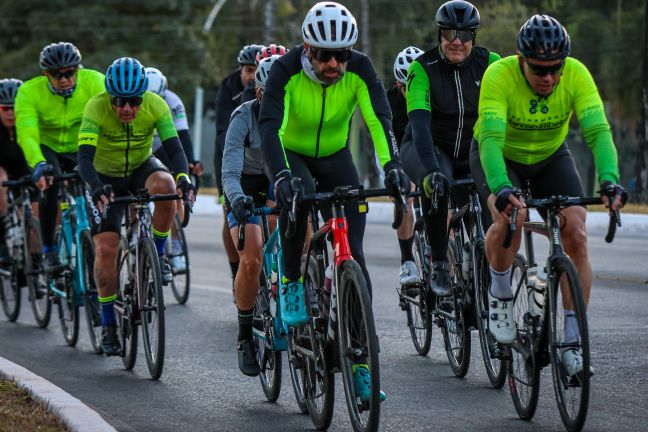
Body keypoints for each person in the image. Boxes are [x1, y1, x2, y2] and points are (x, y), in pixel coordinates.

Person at [259, 1, 409, 401]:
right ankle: (292, 278)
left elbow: (379, 120)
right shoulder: (285, 71)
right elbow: (270, 128)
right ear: (307, 49)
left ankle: (361, 363)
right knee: (299, 202)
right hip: (295, 156)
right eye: (324, 55)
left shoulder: (359, 69)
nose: (333, 64)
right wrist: (281, 177)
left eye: (341, 55)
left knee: (354, 258)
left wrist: (392, 165)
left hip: (336, 156)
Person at [470, 15, 626, 378]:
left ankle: (572, 341)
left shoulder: (576, 74)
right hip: (500, 155)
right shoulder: (500, 75)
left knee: (576, 231)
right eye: (540, 70)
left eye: (555, 69)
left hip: (550, 156)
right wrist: (501, 187)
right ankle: (499, 293)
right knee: (511, 216)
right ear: (522, 60)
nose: (549, 78)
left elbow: (598, 131)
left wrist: (609, 180)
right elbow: (491, 139)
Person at [77, 57, 194, 355]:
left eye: (133, 101)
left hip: (140, 167)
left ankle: (158, 250)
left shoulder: (156, 105)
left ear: (143, 96)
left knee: (168, 187)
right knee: (106, 247)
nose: (127, 108)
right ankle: (108, 325)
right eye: (119, 101)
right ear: (109, 96)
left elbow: (174, 148)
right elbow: (84, 160)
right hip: (105, 177)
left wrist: (184, 178)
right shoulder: (95, 107)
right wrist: (95, 187)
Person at [403, 0, 499, 296]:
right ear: (439, 34)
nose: (457, 41)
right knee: (438, 186)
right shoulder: (422, 69)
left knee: (492, 200)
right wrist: (431, 171)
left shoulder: (492, 62)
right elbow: (419, 126)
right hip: (429, 147)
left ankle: (492, 269)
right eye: (449, 34)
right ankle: (440, 262)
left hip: (472, 150)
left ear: (474, 36)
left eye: (465, 34)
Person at [14, 42, 105, 274]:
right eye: (56, 74)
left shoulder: (95, 81)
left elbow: (109, 118)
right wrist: (38, 163)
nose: (63, 79)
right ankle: (50, 249)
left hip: (81, 144)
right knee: (51, 183)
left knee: (97, 183)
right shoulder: (29, 92)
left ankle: (98, 236)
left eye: (69, 73)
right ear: (46, 74)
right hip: (48, 147)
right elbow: (27, 133)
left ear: (78, 70)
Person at [222, 55, 280, 377]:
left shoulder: (297, 116)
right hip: (245, 185)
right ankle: (245, 335)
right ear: (259, 95)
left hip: (278, 179)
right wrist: (238, 200)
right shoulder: (242, 118)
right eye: (274, 95)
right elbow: (229, 171)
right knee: (252, 257)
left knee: (304, 230)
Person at [214, 43, 263, 293]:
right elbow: (223, 131)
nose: (252, 75)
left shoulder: (265, 90)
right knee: (231, 212)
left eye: (256, 69)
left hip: (262, 161)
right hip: (230, 151)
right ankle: (237, 269)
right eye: (247, 69)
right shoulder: (229, 87)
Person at [146, 66, 203, 271]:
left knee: (174, 189)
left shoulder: (173, 101)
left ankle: (177, 246)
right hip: (141, 147)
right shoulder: (132, 101)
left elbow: (183, 135)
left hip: (163, 144)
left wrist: (191, 162)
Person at [388, 46, 423, 286]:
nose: (407, 92)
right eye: (403, 87)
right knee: (405, 193)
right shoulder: (390, 100)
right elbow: (387, 137)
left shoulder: (431, 93)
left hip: (427, 148)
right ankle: (407, 260)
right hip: (400, 149)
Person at [0, 79, 32, 263]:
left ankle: (36, 263)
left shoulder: (28, 122)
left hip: (23, 166)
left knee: (34, 211)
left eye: (15, 107)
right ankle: (3, 232)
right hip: (2, 168)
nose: (11, 113)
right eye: (5, 109)